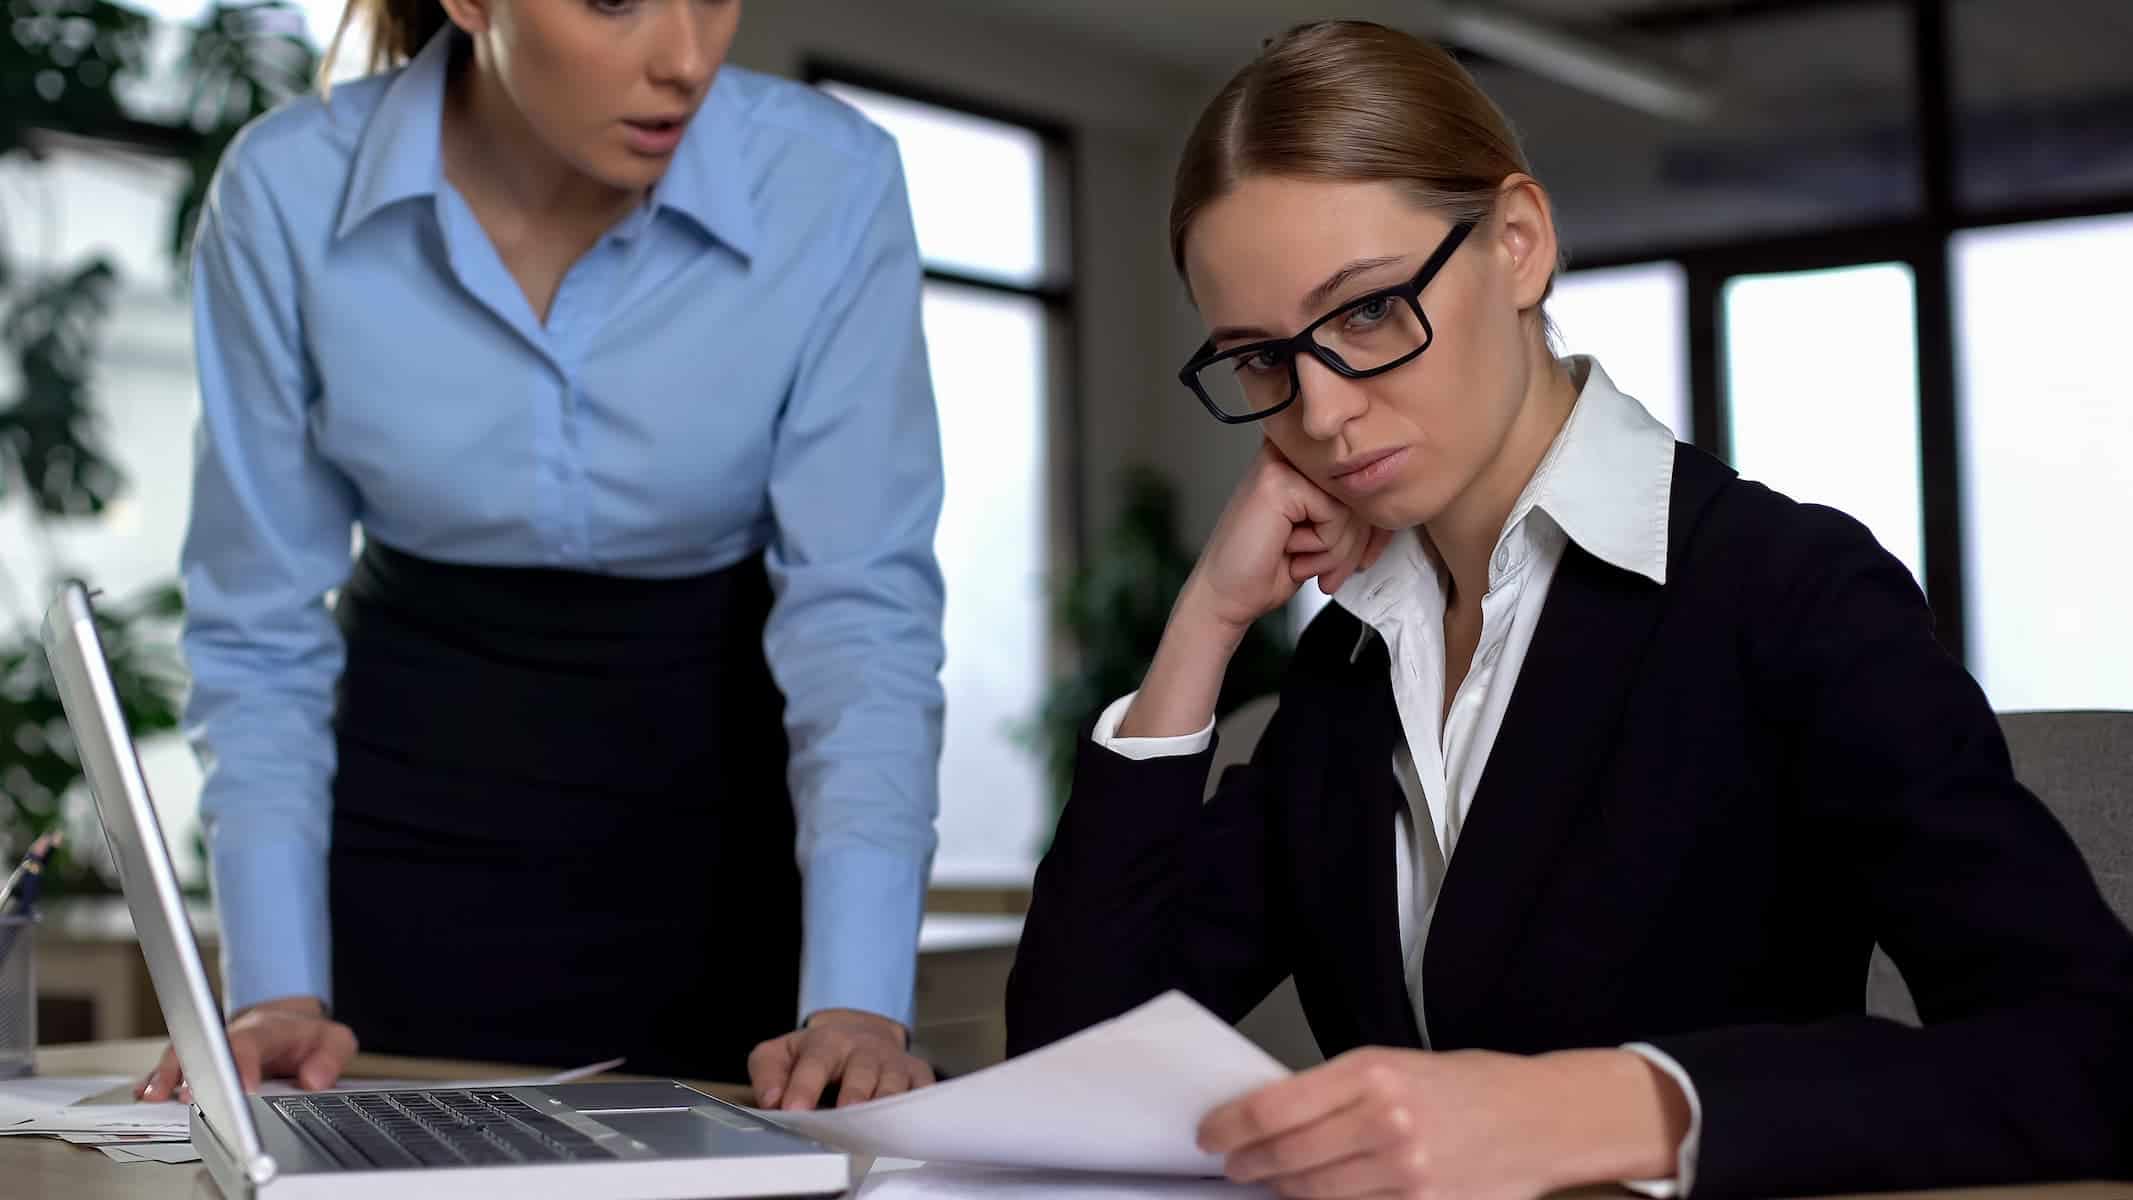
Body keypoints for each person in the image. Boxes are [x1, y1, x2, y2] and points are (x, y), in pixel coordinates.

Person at [1006, 20, 2133, 1199]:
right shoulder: (1348, 667)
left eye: (1369, 312)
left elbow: (2090, 1050)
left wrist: (1612, 1106)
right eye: (1262, 359)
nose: (1323, 412)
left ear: (1518, 243)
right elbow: (1073, 1067)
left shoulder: (1785, 589)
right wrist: (1206, 622)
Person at [151, 0, 946, 1112]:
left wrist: (858, 1001)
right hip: (408, 795)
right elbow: (256, 633)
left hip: (724, 806)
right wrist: (275, 991)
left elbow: (863, 617)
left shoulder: (830, 181)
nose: (688, 59)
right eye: (616, 0)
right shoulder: (284, 190)